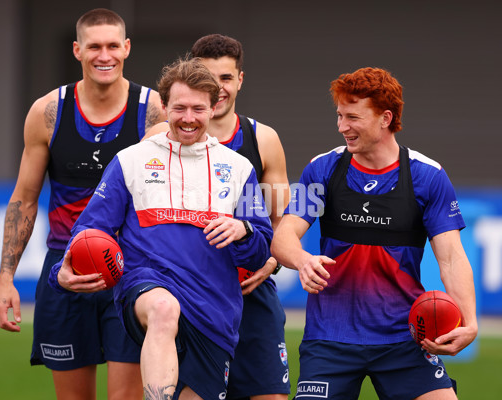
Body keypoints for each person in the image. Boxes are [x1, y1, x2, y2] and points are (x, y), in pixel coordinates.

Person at [48, 57, 274, 400]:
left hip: (213, 313)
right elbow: (90, 230)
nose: (188, 118)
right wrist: (60, 274)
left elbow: (260, 251)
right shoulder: (131, 160)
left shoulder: (239, 169)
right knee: (164, 309)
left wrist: (243, 230)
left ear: (213, 109)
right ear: (164, 106)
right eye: (179, 107)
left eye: (198, 109)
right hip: (147, 287)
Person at [271, 67, 477, 400]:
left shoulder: (428, 176)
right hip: (329, 339)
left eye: (352, 117)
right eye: (339, 116)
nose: (342, 127)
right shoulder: (323, 168)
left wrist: (469, 321)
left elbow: (451, 257)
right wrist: (303, 260)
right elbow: (282, 238)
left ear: (385, 118)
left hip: (406, 338)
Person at [0, 8, 165, 400]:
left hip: (131, 268)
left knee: (125, 397)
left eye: (112, 46)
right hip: (65, 266)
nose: (104, 55)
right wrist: (6, 280)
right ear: (77, 50)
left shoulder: (153, 110)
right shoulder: (48, 113)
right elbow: (24, 199)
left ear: (126, 48)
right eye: (94, 47)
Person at [147, 33, 291, 400]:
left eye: (226, 78)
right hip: (187, 293)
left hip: (249, 291)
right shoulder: (161, 137)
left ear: (240, 80)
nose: (219, 88)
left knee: (270, 395)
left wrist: (272, 260)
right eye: (210, 78)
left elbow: (285, 217)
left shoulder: (263, 139)